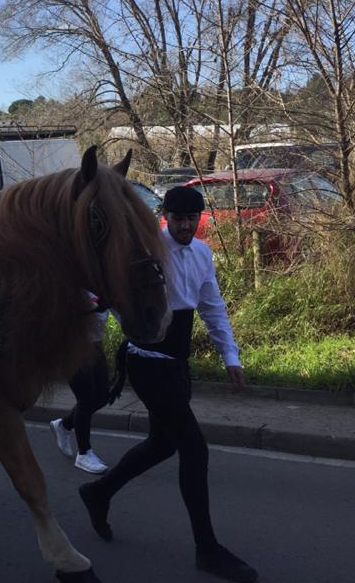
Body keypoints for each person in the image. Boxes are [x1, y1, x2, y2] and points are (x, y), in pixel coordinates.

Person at [78, 186, 258, 583]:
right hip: (146, 360)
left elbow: (212, 306)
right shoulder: (144, 249)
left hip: (177, 362)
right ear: (165, 216)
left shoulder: (202, 254)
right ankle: (207, 549)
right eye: (178, 218)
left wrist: (230, 355)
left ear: (199, 219)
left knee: (163, 442)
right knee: (194, 448)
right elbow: (101, 293)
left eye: (192, 219)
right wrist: (90, 338)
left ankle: (99, 492)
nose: (185, 225)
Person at [50, 293, 111, 473]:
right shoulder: (71, 277)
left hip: (95, 344)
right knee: (86, 398)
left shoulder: (101, 280)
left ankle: (64, 425)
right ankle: (84, 454)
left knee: (102, 397)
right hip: (70, 345)